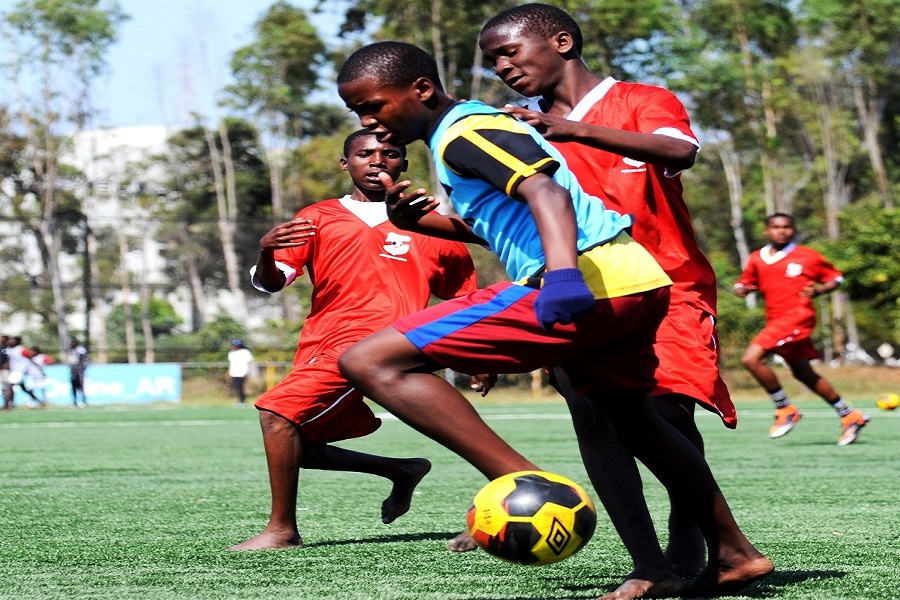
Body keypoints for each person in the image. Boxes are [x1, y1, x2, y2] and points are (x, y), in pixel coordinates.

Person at [336, 40, 773, 598]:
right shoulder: (467, 132)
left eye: (374, 105)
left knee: (369, 361)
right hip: (633, 280)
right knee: (634, 423)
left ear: (421, 89)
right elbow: (508, 225)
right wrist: (419, 223)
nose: (369, 122)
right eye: (358, 115)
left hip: (583, 281)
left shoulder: (465, 132)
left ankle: (526, 483)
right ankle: (726, 555)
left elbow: (548, 195)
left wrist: (563, 277)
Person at [477, 3, 734, 592]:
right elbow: (512, 221)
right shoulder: (518, 130)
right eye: (492, 61)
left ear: (561, 41)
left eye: (510, 52)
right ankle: (648, 565)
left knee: (666, 412)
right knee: (595, 419)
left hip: (669, 282)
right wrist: (419, 217)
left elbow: (681, 151)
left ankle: (695, 550)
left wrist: (576, 131)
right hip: (580, 289)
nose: (502, 68)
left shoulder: (643, 99)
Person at [230, 129, 478, 551]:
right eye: (365, 153)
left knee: (275, 413)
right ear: (346, 164)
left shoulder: (432, 224)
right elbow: (272, 284)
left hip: (386, 345)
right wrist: (266, 251)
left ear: (404, 163)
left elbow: (468, 298)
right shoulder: (316, 217)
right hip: (321, 346)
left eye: (390, 153)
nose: (377, 160)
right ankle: (402, 470)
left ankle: (282, 531)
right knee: (298, 445)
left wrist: (477, 358)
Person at [734, 213, 869, 445]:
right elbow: (746, 281)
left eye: (786, 226)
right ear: (767, 230)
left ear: (793, 229)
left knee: (751, 359)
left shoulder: (807, 256)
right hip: (775, 319)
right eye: (776, 227)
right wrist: (742, 289)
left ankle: (784, 408)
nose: (781, 231)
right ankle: (850, 415)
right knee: (803, 373)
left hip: (797, 317)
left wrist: (819, 290)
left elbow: (836, 278)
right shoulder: (758, 257)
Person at [226, 340, 254, 404]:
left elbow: (249, 363)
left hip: (242, 373)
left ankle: (243, 400)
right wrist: (228, 372)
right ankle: (240, 400)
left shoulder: (245, 352)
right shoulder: (231, 353)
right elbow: (231, 364)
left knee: (240, 386)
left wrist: (248, 372)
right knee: (236, 387)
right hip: (234, 373)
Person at [66, 337, 89, 408]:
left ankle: (83, 401)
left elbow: (85, 360)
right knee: (73, 386)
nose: (70, 344)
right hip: (73, 371)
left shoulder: (80, 350)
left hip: (79, 371)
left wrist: (82, 368)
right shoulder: (70, 350)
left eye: (72, 343)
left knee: (81, 386)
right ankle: (74, 402)